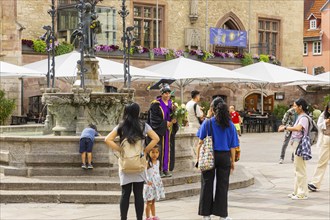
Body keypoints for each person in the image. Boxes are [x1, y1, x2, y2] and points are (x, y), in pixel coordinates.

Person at [104, 102, 159, 220]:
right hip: (139, 163)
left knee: (125, 194)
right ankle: (139, 218)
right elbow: (156, 138)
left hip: (125, 164)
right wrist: (145, 150)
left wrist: (120, 150)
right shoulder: (143, 126)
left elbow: (107, 139)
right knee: (138, 194)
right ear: (137, 112)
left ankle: (123, 218)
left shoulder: (121, 126)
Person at [196, 97, 239, 220]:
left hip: (209, 155)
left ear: (213, 110)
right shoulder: (230, 125)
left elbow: (200, 142)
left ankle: (206, 214)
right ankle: (222, 215)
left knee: (206, 183)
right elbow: (233, 146)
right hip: (224, 156)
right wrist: (232, 161)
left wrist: (198, 159)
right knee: (223, 185)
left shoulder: (208, 122)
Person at [278, 98, 310, 200]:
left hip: (299, 144)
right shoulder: (300, 116)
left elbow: (298, 128)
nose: (294, 108)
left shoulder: (304, 118)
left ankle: (302, 193)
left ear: (300, 107)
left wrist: (285, 127)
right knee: (297, 169)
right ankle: (296, 191)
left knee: (300, 169)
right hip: (296, 143)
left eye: (295, 106)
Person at [147, 83, 179, 178]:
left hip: (168, 132)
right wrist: (166, 123)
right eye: (165, 93)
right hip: (159, 132)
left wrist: (175, 119)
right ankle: (158, 169)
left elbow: (174, 116)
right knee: (159, 149)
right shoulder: (155, 104)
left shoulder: (172, 104)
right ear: (161, 93)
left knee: (168, 150)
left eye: (168, 93)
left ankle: (166, 168)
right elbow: (154, 120)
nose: (167, 95)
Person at [308, 102, 330, 192]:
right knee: (321, 162)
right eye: (329, 108)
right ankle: (315, 183)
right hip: (327, 139)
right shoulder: (323, 115)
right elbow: (319, 125)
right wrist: (326, 121)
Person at [144, 145, 165, 220]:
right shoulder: (147, 163)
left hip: (156, 184)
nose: (154, 154)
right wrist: (147, 181)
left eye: (156, 152)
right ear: (149, 153)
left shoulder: (158, 162)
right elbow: (144, 173)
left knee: (153, 201)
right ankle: (147, 217)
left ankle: (153, 216)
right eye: (152, 152)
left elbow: (157, 173)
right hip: (150, 185)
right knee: (148, 202)